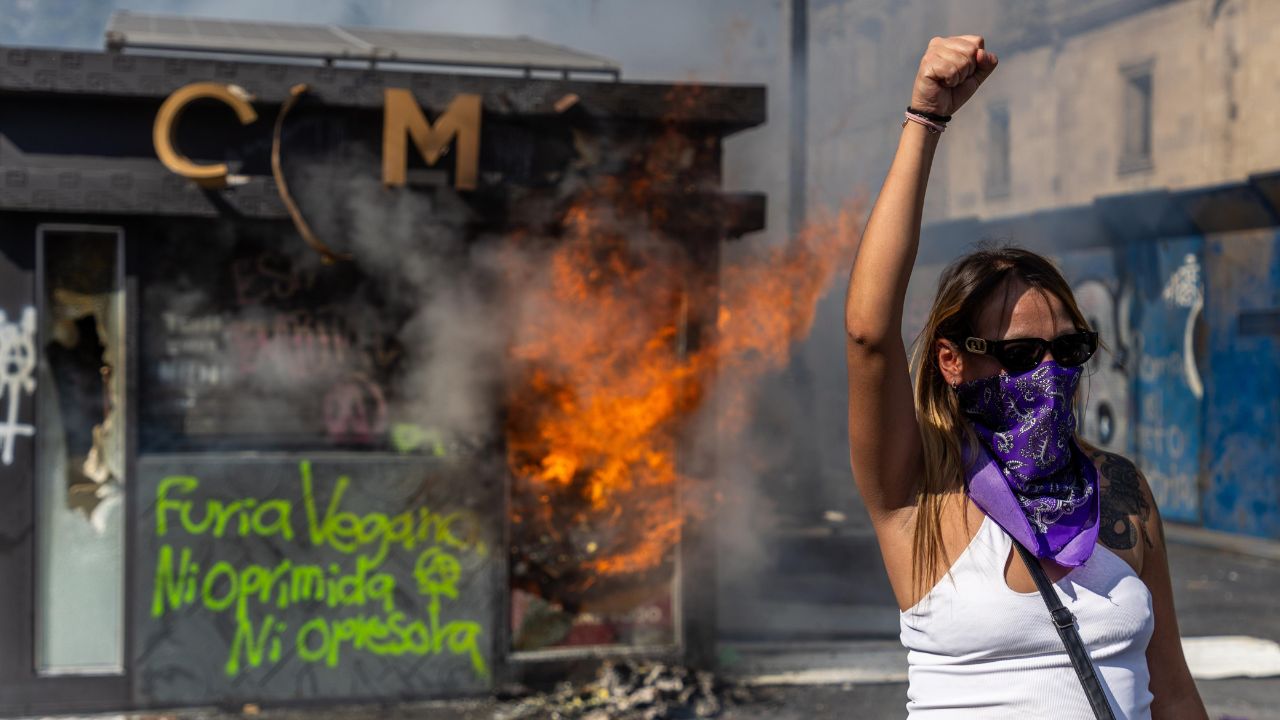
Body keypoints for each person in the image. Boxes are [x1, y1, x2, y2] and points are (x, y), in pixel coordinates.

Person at [844, 35, 1208, 719]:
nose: (1048, 373)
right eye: (1017, 356)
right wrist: (925, 120)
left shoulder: (1119, 489)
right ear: (954, 360)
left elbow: (1174, 692)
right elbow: (869, 335)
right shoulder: (920, 491)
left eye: (1069, 350)